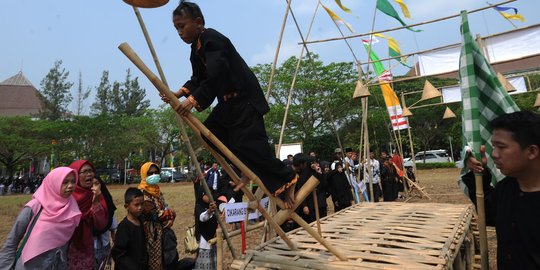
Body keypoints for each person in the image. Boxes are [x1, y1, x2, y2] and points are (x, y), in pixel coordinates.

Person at [165, 1, 297, 208]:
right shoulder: (195, 49)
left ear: (198, 22)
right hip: (228, 105)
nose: (179, 32)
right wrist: (179, 93)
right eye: (176, 28)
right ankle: (243, 169)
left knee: (253, 147)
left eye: (182, 26)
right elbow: (198, 78)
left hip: (244, 100)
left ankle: (288, 178)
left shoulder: (212, 39)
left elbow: (216, 74)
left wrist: (192, 101)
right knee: (210, 133)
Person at [461, 111, 540, 270]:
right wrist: (479, 174)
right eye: (494, 146)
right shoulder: (507, 187)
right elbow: (489, 214)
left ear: (531, 151)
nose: (494, 154)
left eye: (501, 147)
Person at [0, 167, 82, 269]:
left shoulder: (72, 209)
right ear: (54, 183)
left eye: (73, 182)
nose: (70, 186)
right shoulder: (35, 206)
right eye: (64, 182)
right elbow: (12, 241)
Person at [68, 160, 110, 270]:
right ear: (76, 175)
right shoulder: (67, 195)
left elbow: (101, 224)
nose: (89, 174)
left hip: (90, 247)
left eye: (91, 171)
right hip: (68, 245)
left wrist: (96, 202)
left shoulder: (96, 194)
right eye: (85, 171)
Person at [138, 162, 178, 270]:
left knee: (163, 262)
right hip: (150, 235)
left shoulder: (157, 191)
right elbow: (154, 214)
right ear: (144, 175)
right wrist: (171, 214)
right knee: (153, 263)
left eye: (156, 172)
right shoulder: (142, 193)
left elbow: (164, 208)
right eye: (150, 173)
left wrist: (170, 219)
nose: (154, 175)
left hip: (161, 232)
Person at [111, 187, 149, 270]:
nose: (140, 208)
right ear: (126, 206)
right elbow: (119, 253)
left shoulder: (141, 222)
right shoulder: (124, 227)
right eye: (136, 205)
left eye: (142, 204)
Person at [193, 190, 219, 270]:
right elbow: (202, 218)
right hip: (203, 238)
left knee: (212, 260)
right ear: (202, 195)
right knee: (204, 262)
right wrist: (209, 211)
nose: (209, 197)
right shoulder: (199, 205)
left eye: (210, 194)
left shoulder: (212, 205)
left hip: (212, 237)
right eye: (206, 195)